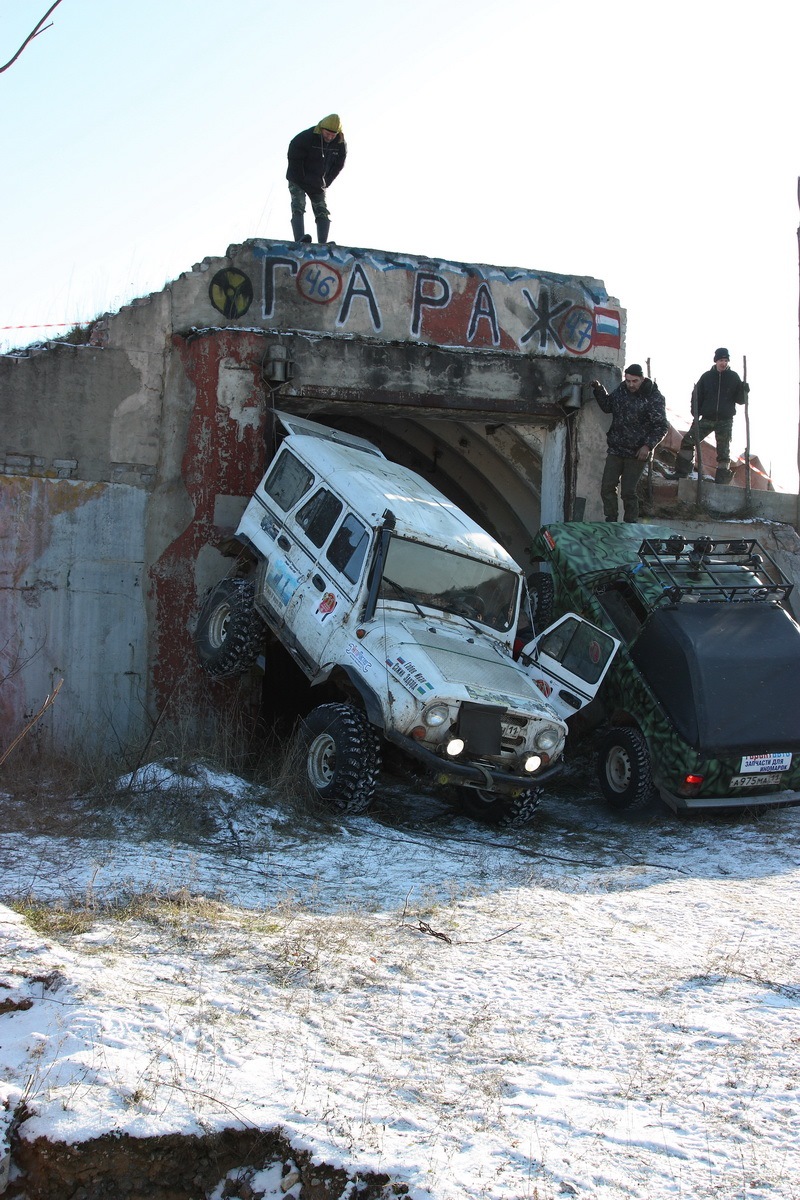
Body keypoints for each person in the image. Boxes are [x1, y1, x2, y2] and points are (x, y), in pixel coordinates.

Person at [592, 364, 668, 523]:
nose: (631, 384)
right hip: (616, 448)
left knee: (628, 492)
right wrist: (598, 389)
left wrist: (647, 446)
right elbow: (608, 406)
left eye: (635, 381)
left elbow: (661, 426)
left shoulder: (653, 397)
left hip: (637, 453)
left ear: (642, 379)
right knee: (607, 487)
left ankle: (630, 524)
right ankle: (611, 520)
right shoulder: (622, 390)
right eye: (628, 381)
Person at [673, 348, 748, 484]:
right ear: (716, 361)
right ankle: (682, 472)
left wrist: (744, 390)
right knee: (688, 441)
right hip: (707, 418)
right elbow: (696, 395)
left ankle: (721, 481)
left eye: (725, 360)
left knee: (724, 452)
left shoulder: (734, 377)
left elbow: (741, 401)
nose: (723, 363)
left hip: (725, 420)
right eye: (721, 360)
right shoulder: (706, 377)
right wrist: (695, 413)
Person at [286, 114, 347, 246]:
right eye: (327, 133)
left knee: (322, 210)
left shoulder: (340, 144)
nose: (329, 137)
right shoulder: (305, 138)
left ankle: (322, 243)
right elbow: (293, 157)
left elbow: (339, 164)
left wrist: (326, 181)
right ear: (321, 129)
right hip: (298, 178)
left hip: (318, 181)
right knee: (298, 205)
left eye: (333, 135)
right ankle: (299, 239)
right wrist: (301, 178)